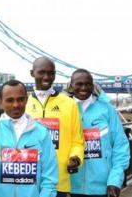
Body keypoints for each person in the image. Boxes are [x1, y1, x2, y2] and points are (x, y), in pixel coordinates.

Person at [0, 79, 58, 197]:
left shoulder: (42, 133)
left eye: (20, 99)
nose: (16, 105)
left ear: (26, 99)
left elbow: (49, 176)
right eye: (10, 100)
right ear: (0, 102)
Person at [25, 57, 85, 197]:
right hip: (27, 182)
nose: (47, 77)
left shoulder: (69, 104)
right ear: (32, 73)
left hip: (59, 182)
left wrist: (75, 158)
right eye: (42, 72)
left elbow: (78, 141)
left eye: (51, 73)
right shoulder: (23, 104)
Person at [66, 69, 130, 197]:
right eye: (79, 84)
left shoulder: (107, 109)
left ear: (93, 85)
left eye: (88, 84)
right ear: (71, 86)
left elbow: (120, 146)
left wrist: (115, 180)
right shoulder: (64, 109)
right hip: (69, 187)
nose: (84, 88)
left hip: (102, 188)